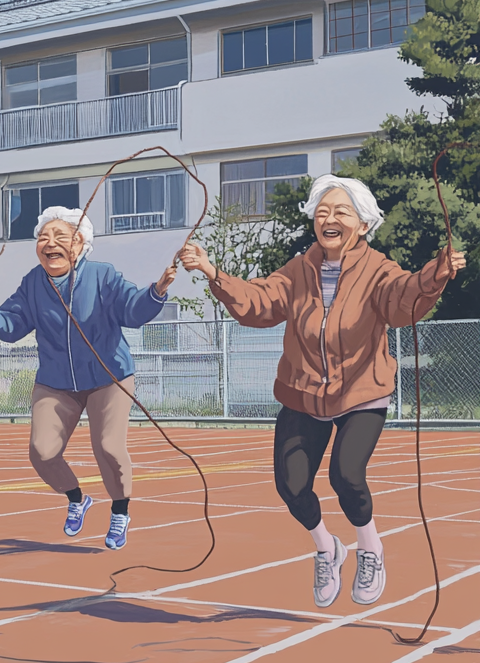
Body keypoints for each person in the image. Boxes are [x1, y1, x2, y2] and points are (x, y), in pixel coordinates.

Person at [179, 174, 465, 608]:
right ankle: (328, 548)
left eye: (341, 212)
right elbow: (259, 302)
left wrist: (432, 277)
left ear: (363, 225)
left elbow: (401, 298)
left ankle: (370, 548)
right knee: (291, 487)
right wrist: (214, 272)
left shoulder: (378, 271)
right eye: (323, 212)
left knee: (345, 476)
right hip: (303, 392)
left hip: (361, 392)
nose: (329, 219)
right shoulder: (299, 270)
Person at [0, 207, 176, 550]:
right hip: (56, 380)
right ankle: (77, 498)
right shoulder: (33, 282)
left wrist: (157, 291)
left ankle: (120, 511)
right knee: (42, 452)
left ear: (81, 243)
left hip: (109, 376)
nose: (50, 244)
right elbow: (13, 324)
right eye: (43, 237)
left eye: (60, 237)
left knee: (108, 446)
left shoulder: (102, 276)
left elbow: (132, 310)